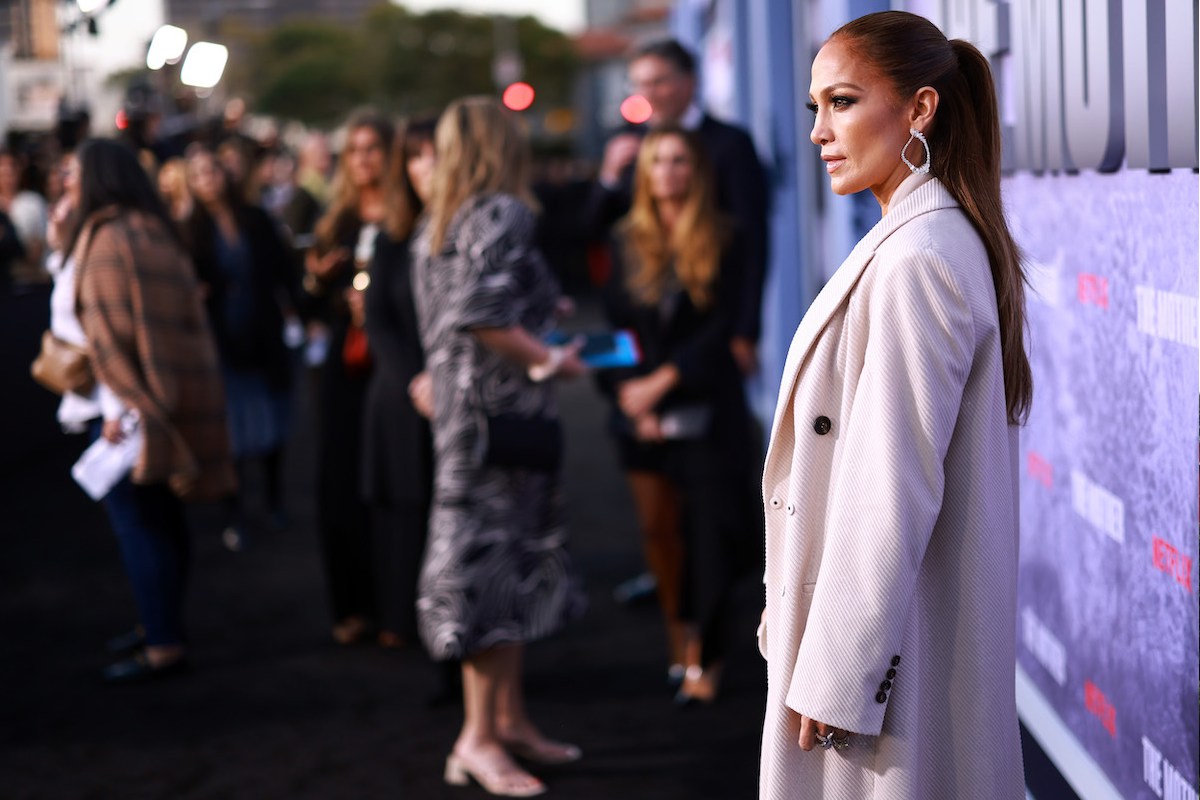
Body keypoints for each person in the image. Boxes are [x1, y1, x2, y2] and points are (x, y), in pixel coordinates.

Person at [758, 11, 1031, 799]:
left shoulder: (919, 259)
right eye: (816, 106)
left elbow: (891, 487)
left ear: (918, 110)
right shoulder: (921, 241)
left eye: (842, 102)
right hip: (893, 642)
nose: (818, 131)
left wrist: (842, 668)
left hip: (888, 663)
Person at [412, 97, 587, 797]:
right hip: (498, 425)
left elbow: (468, 313)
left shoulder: (439, 220)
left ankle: (506, 722)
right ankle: (478, 738)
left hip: (469, 422)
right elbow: (483, 317)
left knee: (508, 566)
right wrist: (549, 360)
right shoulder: (499, 212)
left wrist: (542, 315)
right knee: (489, 571)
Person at [66, 138, 235, 682]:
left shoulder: (108, 238)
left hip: (131, 411)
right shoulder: (156, 232)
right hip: (169, 399)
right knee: (163, 520)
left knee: (139, 525)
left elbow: (109, 340)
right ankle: (162, 626)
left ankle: (162, 639)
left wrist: (123, 405)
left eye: (72, 174)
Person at [602, 127, 759, 704]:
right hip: (637, 414)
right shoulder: (625, 240)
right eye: (656, 162)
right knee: (660, 535)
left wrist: (662, 383)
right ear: (642, 173)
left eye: (678, 161)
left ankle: (707, 656)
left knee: (712, 536)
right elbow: (616, 328)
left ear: (695, 170)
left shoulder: (726, 236)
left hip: (707, 407)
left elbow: (723, 328)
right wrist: (628, 393)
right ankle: (679, 641)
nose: (667, 171)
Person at [589, 38, 769, 376]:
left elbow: (754, 241)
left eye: (658, 81)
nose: (649, 93)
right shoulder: (625, 143)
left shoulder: (730, 143)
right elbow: (593, 231)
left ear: (690, 81)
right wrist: (608, 176)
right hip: (644, 315)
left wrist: (746, 332)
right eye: (640, 84)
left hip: (710, 315)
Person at [304, 110, 394, 645]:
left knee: (393, 483)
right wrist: (319, 285)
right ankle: (353, 605)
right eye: (354, 149)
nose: (362, 159)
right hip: (343, 367)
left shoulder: (411, 218)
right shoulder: (333, 220)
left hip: (395, 366)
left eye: (372, 148)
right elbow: (306, 306)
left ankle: (395, 603)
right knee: (339, 484)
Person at [184, 146, 297, 550]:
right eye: (197, 175)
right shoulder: (191, 231)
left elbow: (284, 271)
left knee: (271, 422)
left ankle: (274, 500)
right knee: (232, 430)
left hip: (263, 334)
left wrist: (304, 309)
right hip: (222, 342)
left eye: (211, 171)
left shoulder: (256, 219)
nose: (207, 180)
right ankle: (235, 514)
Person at [360, 117, 437, 648]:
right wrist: (415, 379)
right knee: (402, 513)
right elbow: (378, 320)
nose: (424, 167)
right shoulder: (391, 238)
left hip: (455, 394)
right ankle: (399, 618)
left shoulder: (468, 232)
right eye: (413, 156)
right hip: (400, 392)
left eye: (432, 154)